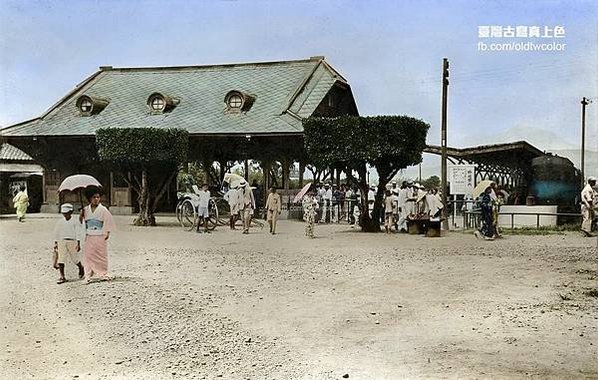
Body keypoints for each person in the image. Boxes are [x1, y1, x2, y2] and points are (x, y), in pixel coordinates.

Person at [80, 188, 115, 284]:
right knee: (88, 255)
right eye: (94, 197)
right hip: (89, 234)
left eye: (98, 197)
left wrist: (107, 232)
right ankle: (87, 275)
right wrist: (81, 216)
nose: (96, 199)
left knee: (101, 255)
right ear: (89, 199)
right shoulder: (85, 209)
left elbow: (108, 221)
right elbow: (81, 223)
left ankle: (103, 273)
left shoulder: (103, 210)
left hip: (100, 234)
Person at [53, 203, 85, 284]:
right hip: (62, 241)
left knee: (75, 259)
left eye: (67, 213)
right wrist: (56, 242)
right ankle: (62, 276)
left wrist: (78, 243)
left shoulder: (75, 221)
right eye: (64, 213)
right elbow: (57, 232)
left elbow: (78, 232)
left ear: (71, 212)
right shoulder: (60, 222)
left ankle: (81, 267)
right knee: (61, 259)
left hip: (72, 241)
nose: (65, 215)